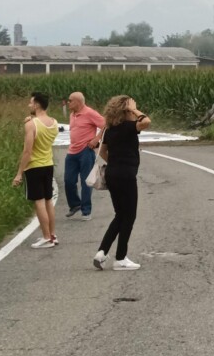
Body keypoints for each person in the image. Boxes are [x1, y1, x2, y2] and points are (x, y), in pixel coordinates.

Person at [93, 95, 151, 270]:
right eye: (131, 110)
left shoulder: (111, 129)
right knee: (129, 216)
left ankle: (102, 252)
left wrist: (116, 162)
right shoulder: (128, 127)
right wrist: (133, 109)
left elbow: (102, 151)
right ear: (126, 111)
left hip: (112, 173)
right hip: (126, 175)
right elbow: (146, 121)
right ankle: (120, 258)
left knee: (120, 215)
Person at [12, 92, 60, 249]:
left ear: (37, 104)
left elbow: (27, 151)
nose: (29, 105)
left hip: (34, 166)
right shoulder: (54, 122)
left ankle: (46, 237)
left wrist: (20, 172)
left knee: (39, 202)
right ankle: (52, 235)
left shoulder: (31, 125)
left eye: (31, 103)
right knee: (48, 201)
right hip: (48, 165)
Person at [64, 92, 106, 221]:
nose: (68, 102)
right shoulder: (72, 114)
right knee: (68, 181)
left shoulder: (89, 113)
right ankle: (75, 204)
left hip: (86, 151)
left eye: (70, 100)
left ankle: (86, 211)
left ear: (78, 102)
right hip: (72, 151)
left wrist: (96, 139)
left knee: (86, 181)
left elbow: (106, 125)